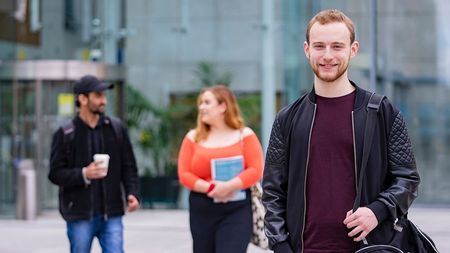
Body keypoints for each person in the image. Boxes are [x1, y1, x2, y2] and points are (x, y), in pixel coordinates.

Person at [262, 9, 420, 253]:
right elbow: (273, 193)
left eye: (337, 46)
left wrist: (377, 211)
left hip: (370, 248)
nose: (327, 56)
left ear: (352, 49)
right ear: (307, 50)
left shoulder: (381, 112)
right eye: (319, 46)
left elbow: (408, 179)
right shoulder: (287, 119)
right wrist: (281, 246)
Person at [48, 75, 140, 253]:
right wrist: (84, 174)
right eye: (98, 95)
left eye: (104, 95)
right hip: (79, 215)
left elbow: (129, 166)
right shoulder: (66, 133)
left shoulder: (116, 128)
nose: (103, 100)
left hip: (112, 213)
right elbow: (55, 173)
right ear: (82, 99)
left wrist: (133, 193)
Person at [177, 85, 264, 253]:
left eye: (207, 102)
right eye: (201, 103)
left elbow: (255, 170)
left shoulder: (244, 135)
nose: (201, 107)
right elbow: (184, 174)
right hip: (202, 209)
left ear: (223, 106)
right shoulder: (192, 138)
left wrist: (228, 187)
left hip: (237, 209)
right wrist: (211, 188)